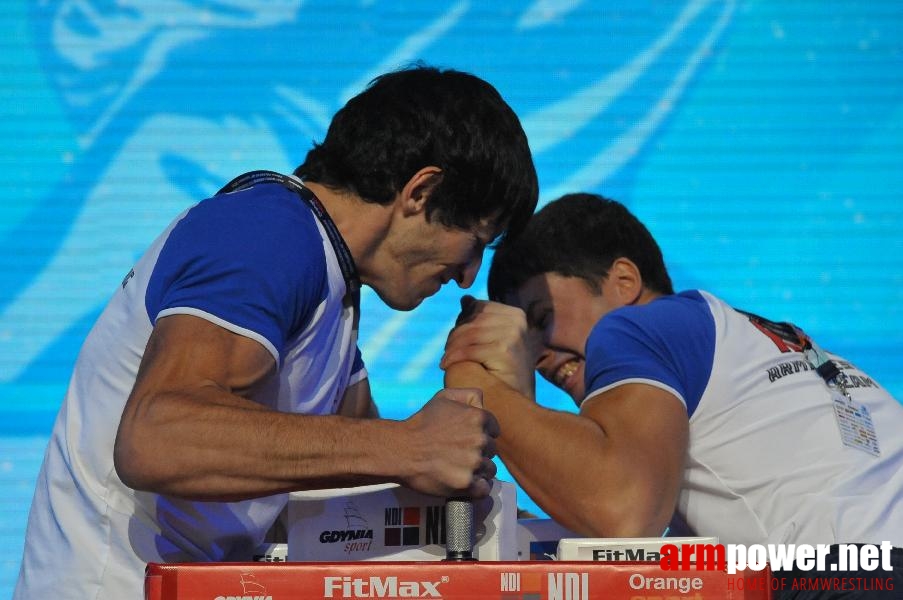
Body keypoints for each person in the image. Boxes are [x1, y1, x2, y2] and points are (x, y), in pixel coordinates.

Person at [15, 64, 538, 599]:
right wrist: (412, 447)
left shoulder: (333, 285)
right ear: (420, 192)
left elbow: (366, 465)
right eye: (477, 240)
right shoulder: (267, 231)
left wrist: (479, 495)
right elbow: (154, 438)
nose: (469, 276)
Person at [442, 193, 903, 596]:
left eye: (541, 319)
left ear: (624, 281)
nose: (537, 355)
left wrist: (480, 386)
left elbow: (620, 511)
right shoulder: (766, 347)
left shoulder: (636, 326)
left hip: (844, 579)